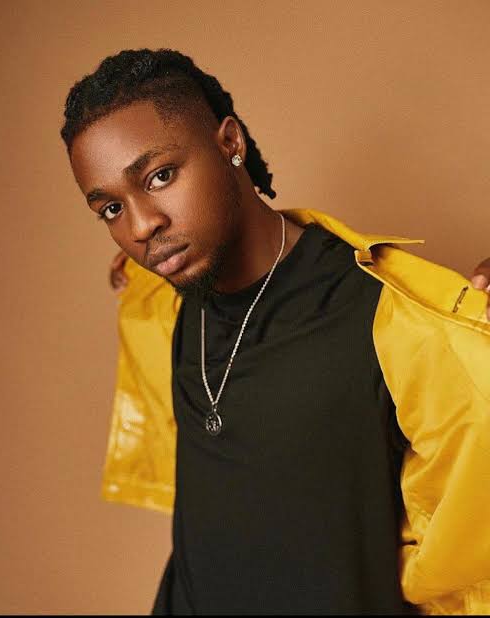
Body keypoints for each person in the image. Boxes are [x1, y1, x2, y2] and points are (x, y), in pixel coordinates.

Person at [60, 48, 490, 615]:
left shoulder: (384, 315)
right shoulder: (164, 301)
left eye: (160, 176)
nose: (141, 226)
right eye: (111, 209)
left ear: (229, 142)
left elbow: (468, 530)